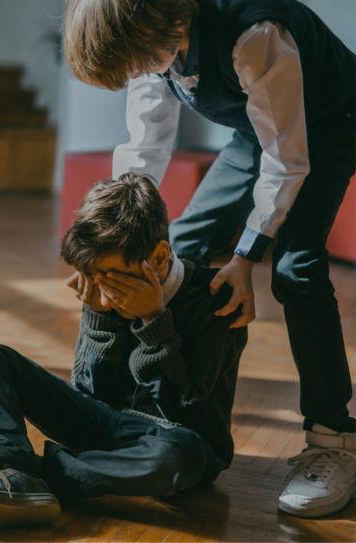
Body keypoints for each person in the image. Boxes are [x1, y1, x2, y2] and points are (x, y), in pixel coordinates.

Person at [63, 0, 356, 518]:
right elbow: (145, 144)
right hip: (257, 130)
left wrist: (245, 257)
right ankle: (162, 406)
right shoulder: (149, 43)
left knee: (296, 269)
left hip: (333, 122)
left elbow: (288, 161)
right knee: (180, 243)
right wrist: (116, 236)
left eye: (137, 64)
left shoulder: (255, 34)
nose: (140, 75)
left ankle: (333, 439)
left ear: (164, 27)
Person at [0, 174, 248, 531]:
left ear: (159, 256)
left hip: (173, 440)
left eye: (113, 277)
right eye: (91, 275)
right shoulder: (101, 282)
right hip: (105, 425)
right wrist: (101, 319)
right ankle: (10, 466)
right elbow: (90, 395)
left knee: (179, 453)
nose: (103, 287)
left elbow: (179, 408)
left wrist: (153, 320)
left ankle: (35, 475)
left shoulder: (217, 301)